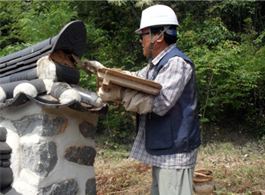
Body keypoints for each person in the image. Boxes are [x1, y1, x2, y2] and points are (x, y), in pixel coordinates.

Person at [96, 4, 201, 195]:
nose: (140, 41)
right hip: (164, 148)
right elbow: (136, 78)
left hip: (175, 153)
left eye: (142, 35)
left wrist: (119, 94)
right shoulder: (156, 65)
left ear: (158, 36)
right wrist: (107, 73)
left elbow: (160, 104)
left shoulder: (175, 63)